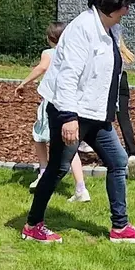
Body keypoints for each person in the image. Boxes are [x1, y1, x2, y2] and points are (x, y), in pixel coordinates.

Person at [23, 0, 135, 244]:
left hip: (96, 114)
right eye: (125, 5)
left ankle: (120, 228)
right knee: (58, 169)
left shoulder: (110, 28)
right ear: (110, 4)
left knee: (118, 163)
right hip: (70, 111)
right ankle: (33, 225)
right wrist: (69, 118)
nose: (127, 11)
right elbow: (68, 76)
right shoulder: (81, 29)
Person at [16, 22, 91, 202]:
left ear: (50, 39)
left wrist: (24, 83)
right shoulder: (75, 52)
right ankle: (81, 188)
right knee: (69, 146)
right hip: (70, 104)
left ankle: (43, 172)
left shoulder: (49, 53)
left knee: (38, 136)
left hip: (52, 103)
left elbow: (41, 68)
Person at [113, 31, 135, 177]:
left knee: (101, 119)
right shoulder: (121, 49)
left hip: (110, 81)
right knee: (124, 118)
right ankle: (132, 152)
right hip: (122, 81)